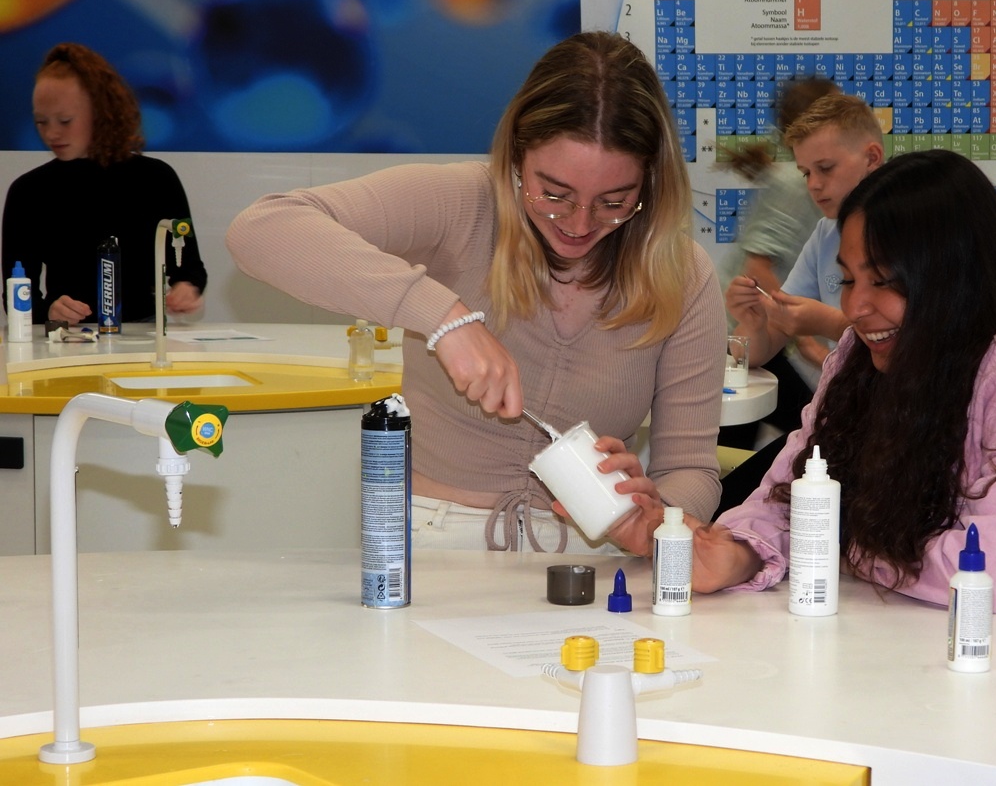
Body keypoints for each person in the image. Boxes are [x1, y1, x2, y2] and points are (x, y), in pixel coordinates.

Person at [604, 150, 996, 625]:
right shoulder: (862, 357)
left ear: (955, 278)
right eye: (849, 280)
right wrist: (735, 551)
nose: (857, 307)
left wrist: (844, 539)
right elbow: (795, 491)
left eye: (885, 281)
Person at [226, 31, 725, 553]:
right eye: (554, 194)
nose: (579, 223)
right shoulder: (461, 202)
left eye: (614, 202)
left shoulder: (684, 275)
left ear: (650, 182)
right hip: (431, 541)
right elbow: (262, 229)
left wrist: (658, 521)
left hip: (590, 556)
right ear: (516, 155)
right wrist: (444, 318)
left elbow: (691, 468)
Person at [716, 92, 884, 515]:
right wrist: (753, 320)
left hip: (891, 429)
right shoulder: (824, 234)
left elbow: (915, 340)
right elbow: (761, 347)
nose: (813, 185)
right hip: (840, 426)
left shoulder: (910, 229)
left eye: (825, 169)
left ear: (872, 158)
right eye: (806, 172)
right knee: (728, 504)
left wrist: (825, 323)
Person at [3, 43, 207, 326]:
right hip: (64, 340)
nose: (51, 133)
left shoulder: (157, 179)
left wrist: (186, 288)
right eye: (41, 122)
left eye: (65, 120)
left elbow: (189, 266)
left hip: (142, 337)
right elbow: (16, 294)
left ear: (101, 111)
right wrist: (49, 311)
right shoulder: (28, 191)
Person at [715, 77, 839, 455]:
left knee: (745, 443)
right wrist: (802, 335)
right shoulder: (796, 184)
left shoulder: (796, 179)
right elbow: (756, 269)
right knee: (816, 434)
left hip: (754, 335)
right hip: (739, 335)